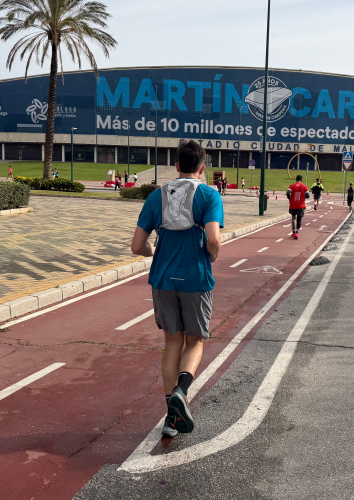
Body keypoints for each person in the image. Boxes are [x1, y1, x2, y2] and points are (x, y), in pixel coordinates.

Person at [131, 140, 223, 438]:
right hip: (196, 279)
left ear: (176, 165)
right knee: (195, 341)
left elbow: (137, 246)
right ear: (202, 168)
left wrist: (153, 251)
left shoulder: (157, 196)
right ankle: (182, 393)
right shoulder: (209, 195)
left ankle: (171, 417)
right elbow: (214, 239)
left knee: (172, 341)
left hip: (163, 279)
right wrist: (212, 255)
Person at [286, 174, 309, 239]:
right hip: (301, 205)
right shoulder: (304, 186)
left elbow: (288, 192)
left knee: (293, 217)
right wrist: (303, 198)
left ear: (296, 180)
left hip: (293, 204)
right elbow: (308, 195)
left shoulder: (292, 186)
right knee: (299, 218)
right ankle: (297, 232)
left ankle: (293, 232)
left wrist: (289, 198)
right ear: (301, 180)